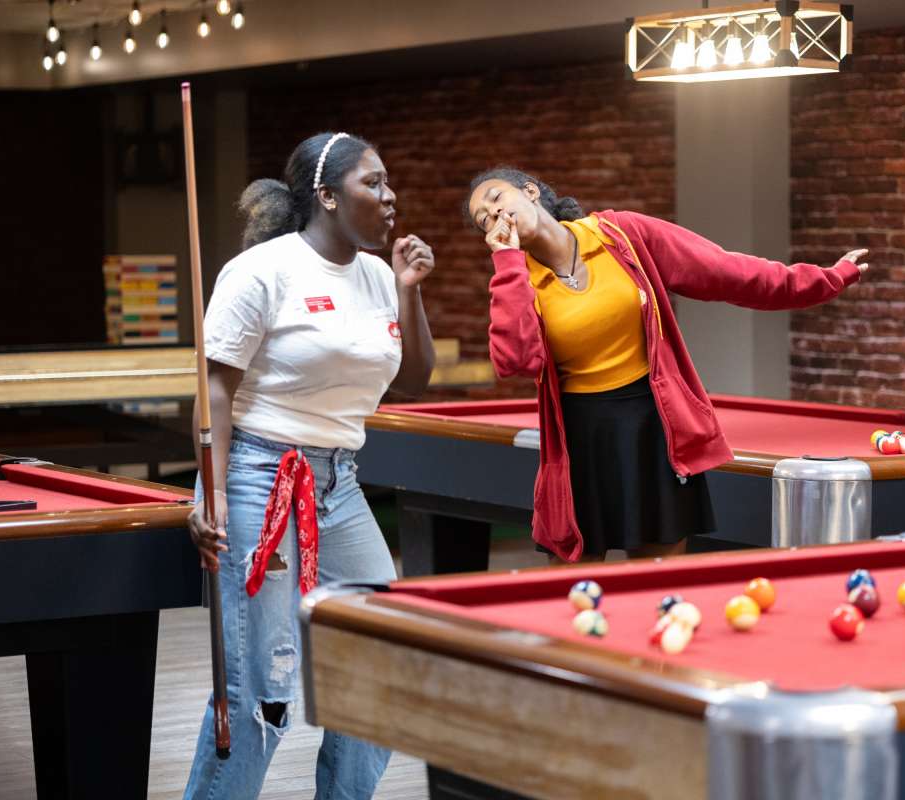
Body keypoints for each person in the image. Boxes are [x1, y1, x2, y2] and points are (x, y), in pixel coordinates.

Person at [184, 131, 436, 800]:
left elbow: (414, 381)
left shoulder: (382, 276)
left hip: (339, 483)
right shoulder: (263, 270)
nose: (391, 196)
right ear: (326, 196)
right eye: (373, 183)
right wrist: (208, 494)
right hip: (259, 476)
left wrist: (410, 292)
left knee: (379, 660)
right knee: (259, 693)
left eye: (388, 184)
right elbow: (214, 390)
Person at [466, 167, 867, 563]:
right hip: (580, 439)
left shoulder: (621, 234)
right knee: (575, 593)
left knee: (658, 584)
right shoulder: (518, 280)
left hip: (653, 426)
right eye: (483, 219)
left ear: (531, 192)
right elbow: (515, 360)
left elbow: (726, 271)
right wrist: (507, 262)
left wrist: (824, 280)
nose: (494, 215)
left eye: (497, 199)